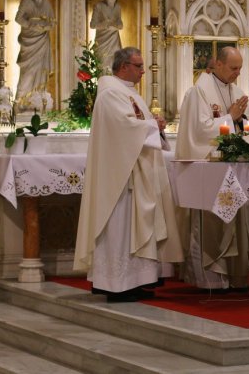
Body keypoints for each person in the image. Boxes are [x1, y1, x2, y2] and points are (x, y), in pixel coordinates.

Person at [73, 47, 183, 302]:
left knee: (138, 228)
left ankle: (137, 280)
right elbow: (123, 128)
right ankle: (116, 283)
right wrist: (150, 125)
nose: (143, 71)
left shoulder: (128, 93)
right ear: (123, 67)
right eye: (138, 66)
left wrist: (156, 126)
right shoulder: (110, 93)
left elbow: (137, 127)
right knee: (121, 228)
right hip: (120, 180)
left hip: (136, 172)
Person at [175, 46, 249, 291]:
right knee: (213, 221)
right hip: (209, 170)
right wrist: (229, 118)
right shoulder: (197, 93)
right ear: (218, 64)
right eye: (233, 68)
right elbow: (199, 132)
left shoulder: (237, 91)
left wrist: (242, 120)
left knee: (239, 218)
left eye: (240, 68)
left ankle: (237, 275)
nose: (237, 73)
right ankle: (211, 277)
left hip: (234, 168)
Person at [15, 0, 55, 105]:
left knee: (41, 70)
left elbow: (52, 23)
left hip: (42, 40)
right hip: (29, 41)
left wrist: (46, 26)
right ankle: (21, 100)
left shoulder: (47, 3)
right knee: (28, 72)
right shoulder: (26, 2)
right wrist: (31, 25)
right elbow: (18, 18)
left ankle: (38, 99)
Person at [90, 0, 123, 71]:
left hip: (114, 40)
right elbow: (92, 25)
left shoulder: (118, 7)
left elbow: (120, 24)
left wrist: (116, 26)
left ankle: (113, 83)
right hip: (102, 40)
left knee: (115, 63)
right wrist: (105, 24)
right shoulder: (99, 6)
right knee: (102, 63)